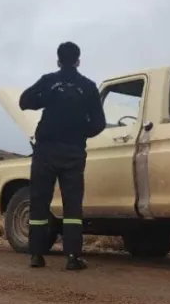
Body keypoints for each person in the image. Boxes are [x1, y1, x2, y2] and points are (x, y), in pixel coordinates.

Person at [19, 41, 106, 270]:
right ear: (78, 60)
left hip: (45, 151)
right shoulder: (88, 87)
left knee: (39, 202)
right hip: (73, 152)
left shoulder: (48, 81)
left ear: (58, 60)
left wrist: (44, 99)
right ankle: (72, 258)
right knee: (72, 205)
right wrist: (80, 132)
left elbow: (24, 101)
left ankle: (36, 255)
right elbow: (99, 123)